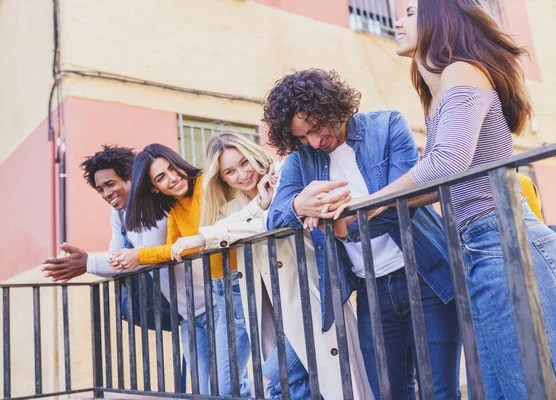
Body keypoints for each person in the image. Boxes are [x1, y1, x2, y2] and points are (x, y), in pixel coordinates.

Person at [339, 0, 556, 397]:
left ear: (440, 15)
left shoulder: (462, 71)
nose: (396, 20)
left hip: (504, 242)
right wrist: (360, 215)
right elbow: (438, 182)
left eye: (408, 11)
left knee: (525, 389)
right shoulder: (440, 90)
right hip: (479, 249)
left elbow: (448, 162)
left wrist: (370, 203)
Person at [265, 69, 461, 399]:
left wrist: (339, 225)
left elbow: (405, 202)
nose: (314, 142)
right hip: (371, 287)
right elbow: (274, 219)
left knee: (438, 390)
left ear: (331, 106)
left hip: (426, 273)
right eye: (301, 138)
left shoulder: (387, 126)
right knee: (388, 391)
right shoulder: (303, 160)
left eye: (315, 129)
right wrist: (302, 204)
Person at [172, 131, 373, 399]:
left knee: (280, 377)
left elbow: (264, 224)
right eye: (230, 172)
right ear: (222, 178)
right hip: (280, 308)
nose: (242, 175)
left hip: (311, 293)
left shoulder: (283, 174)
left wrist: (206, 235)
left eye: (244, 162)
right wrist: (260, 203)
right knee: (299, 383)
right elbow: (232, 225)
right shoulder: (233, 207)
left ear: (253, 152)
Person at [108, 143, 240, 395]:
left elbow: (194, 244)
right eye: (161, 177)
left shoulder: (206, 183)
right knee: (207, 389)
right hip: (212, 296)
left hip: (235, 288)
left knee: (227, 386)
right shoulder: (176, 208)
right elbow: (173, 249)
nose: (173, 178)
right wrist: (137, 255)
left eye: (172, 168)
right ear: (153, 189)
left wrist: (139, 255)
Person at [41, 145, 178, 331]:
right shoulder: (119, 214)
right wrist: (87, 263)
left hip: (199, 302)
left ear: (131, 178)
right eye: (100, 189)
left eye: (111, 184)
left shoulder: (155, 204)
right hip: (181, 307)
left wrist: (88, 263)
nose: (106, 194)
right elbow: (115, 260)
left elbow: (147, 255)